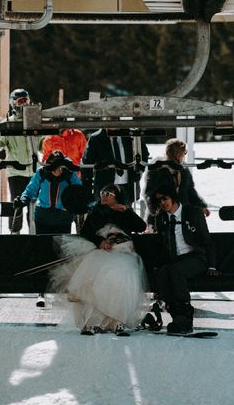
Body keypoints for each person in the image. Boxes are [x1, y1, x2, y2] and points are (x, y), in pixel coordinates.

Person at [49, 184, 148, 334]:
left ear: (117, 196)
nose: (103, 195)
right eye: (102, 192)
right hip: (103, 251)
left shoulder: (125, 211)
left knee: (122, 274)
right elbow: (85, 232)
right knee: (94, 274)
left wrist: (128, 211)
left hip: (123, 253)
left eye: (108, 193)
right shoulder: (96, 211)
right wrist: (99, 241)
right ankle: (94, 321)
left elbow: (141, 227)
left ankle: (117, 321)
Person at [151, 184, 218, 334]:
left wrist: (212, 265)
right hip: (175, 259)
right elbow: (162, 244)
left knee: (176, 271)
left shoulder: (193, 213)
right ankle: (177, 317)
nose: (163, 203)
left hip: (196, 257)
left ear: (173, 198)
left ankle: (186, 316)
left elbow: (207, 240)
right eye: (159, 201)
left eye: (165, 198)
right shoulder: (161, 218)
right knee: (163, 273)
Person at [0, 88, 39, 233]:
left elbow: (44, 139)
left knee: (34, 203)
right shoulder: (8, 123)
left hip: (33, 170)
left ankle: (34, 230)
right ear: (13, 103)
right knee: (17, 202)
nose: (24, 104)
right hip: (16, 171)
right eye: (20, 101)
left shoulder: (34, 121)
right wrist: (0, 152)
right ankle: (15, 230)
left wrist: (48, 147)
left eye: (26, 101)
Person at [17, 150, 82, 234]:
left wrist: (73, 204)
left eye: (60, 167)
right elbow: (30, 190)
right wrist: (22, 201)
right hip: (43, 217)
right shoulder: (42, 172)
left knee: (60, 246)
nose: (57, 170)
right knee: (43, 245)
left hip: (63, 219)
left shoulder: (70, 175)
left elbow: (80, 192)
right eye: (54, 167)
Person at [144, 138, 209, 220]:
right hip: (162, 216)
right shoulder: (157, 169)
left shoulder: (184, 169)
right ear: (177, 154)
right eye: (183, 153)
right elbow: (149, 193)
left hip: (182, 214)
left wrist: (201, 207)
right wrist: (157, 212)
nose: (184, 156)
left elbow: (190, 191)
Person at [81, 129, 149, 205]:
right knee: (105, 214)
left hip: (128, 186)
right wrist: (88, 190)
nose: (112, 120)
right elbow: (87, 164)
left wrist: (139, 172)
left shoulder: (130, 135)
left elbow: (144, 155)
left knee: (125, 213)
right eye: (109, 117)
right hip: (105, 186)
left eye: (115, 118)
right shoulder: (96, 138)